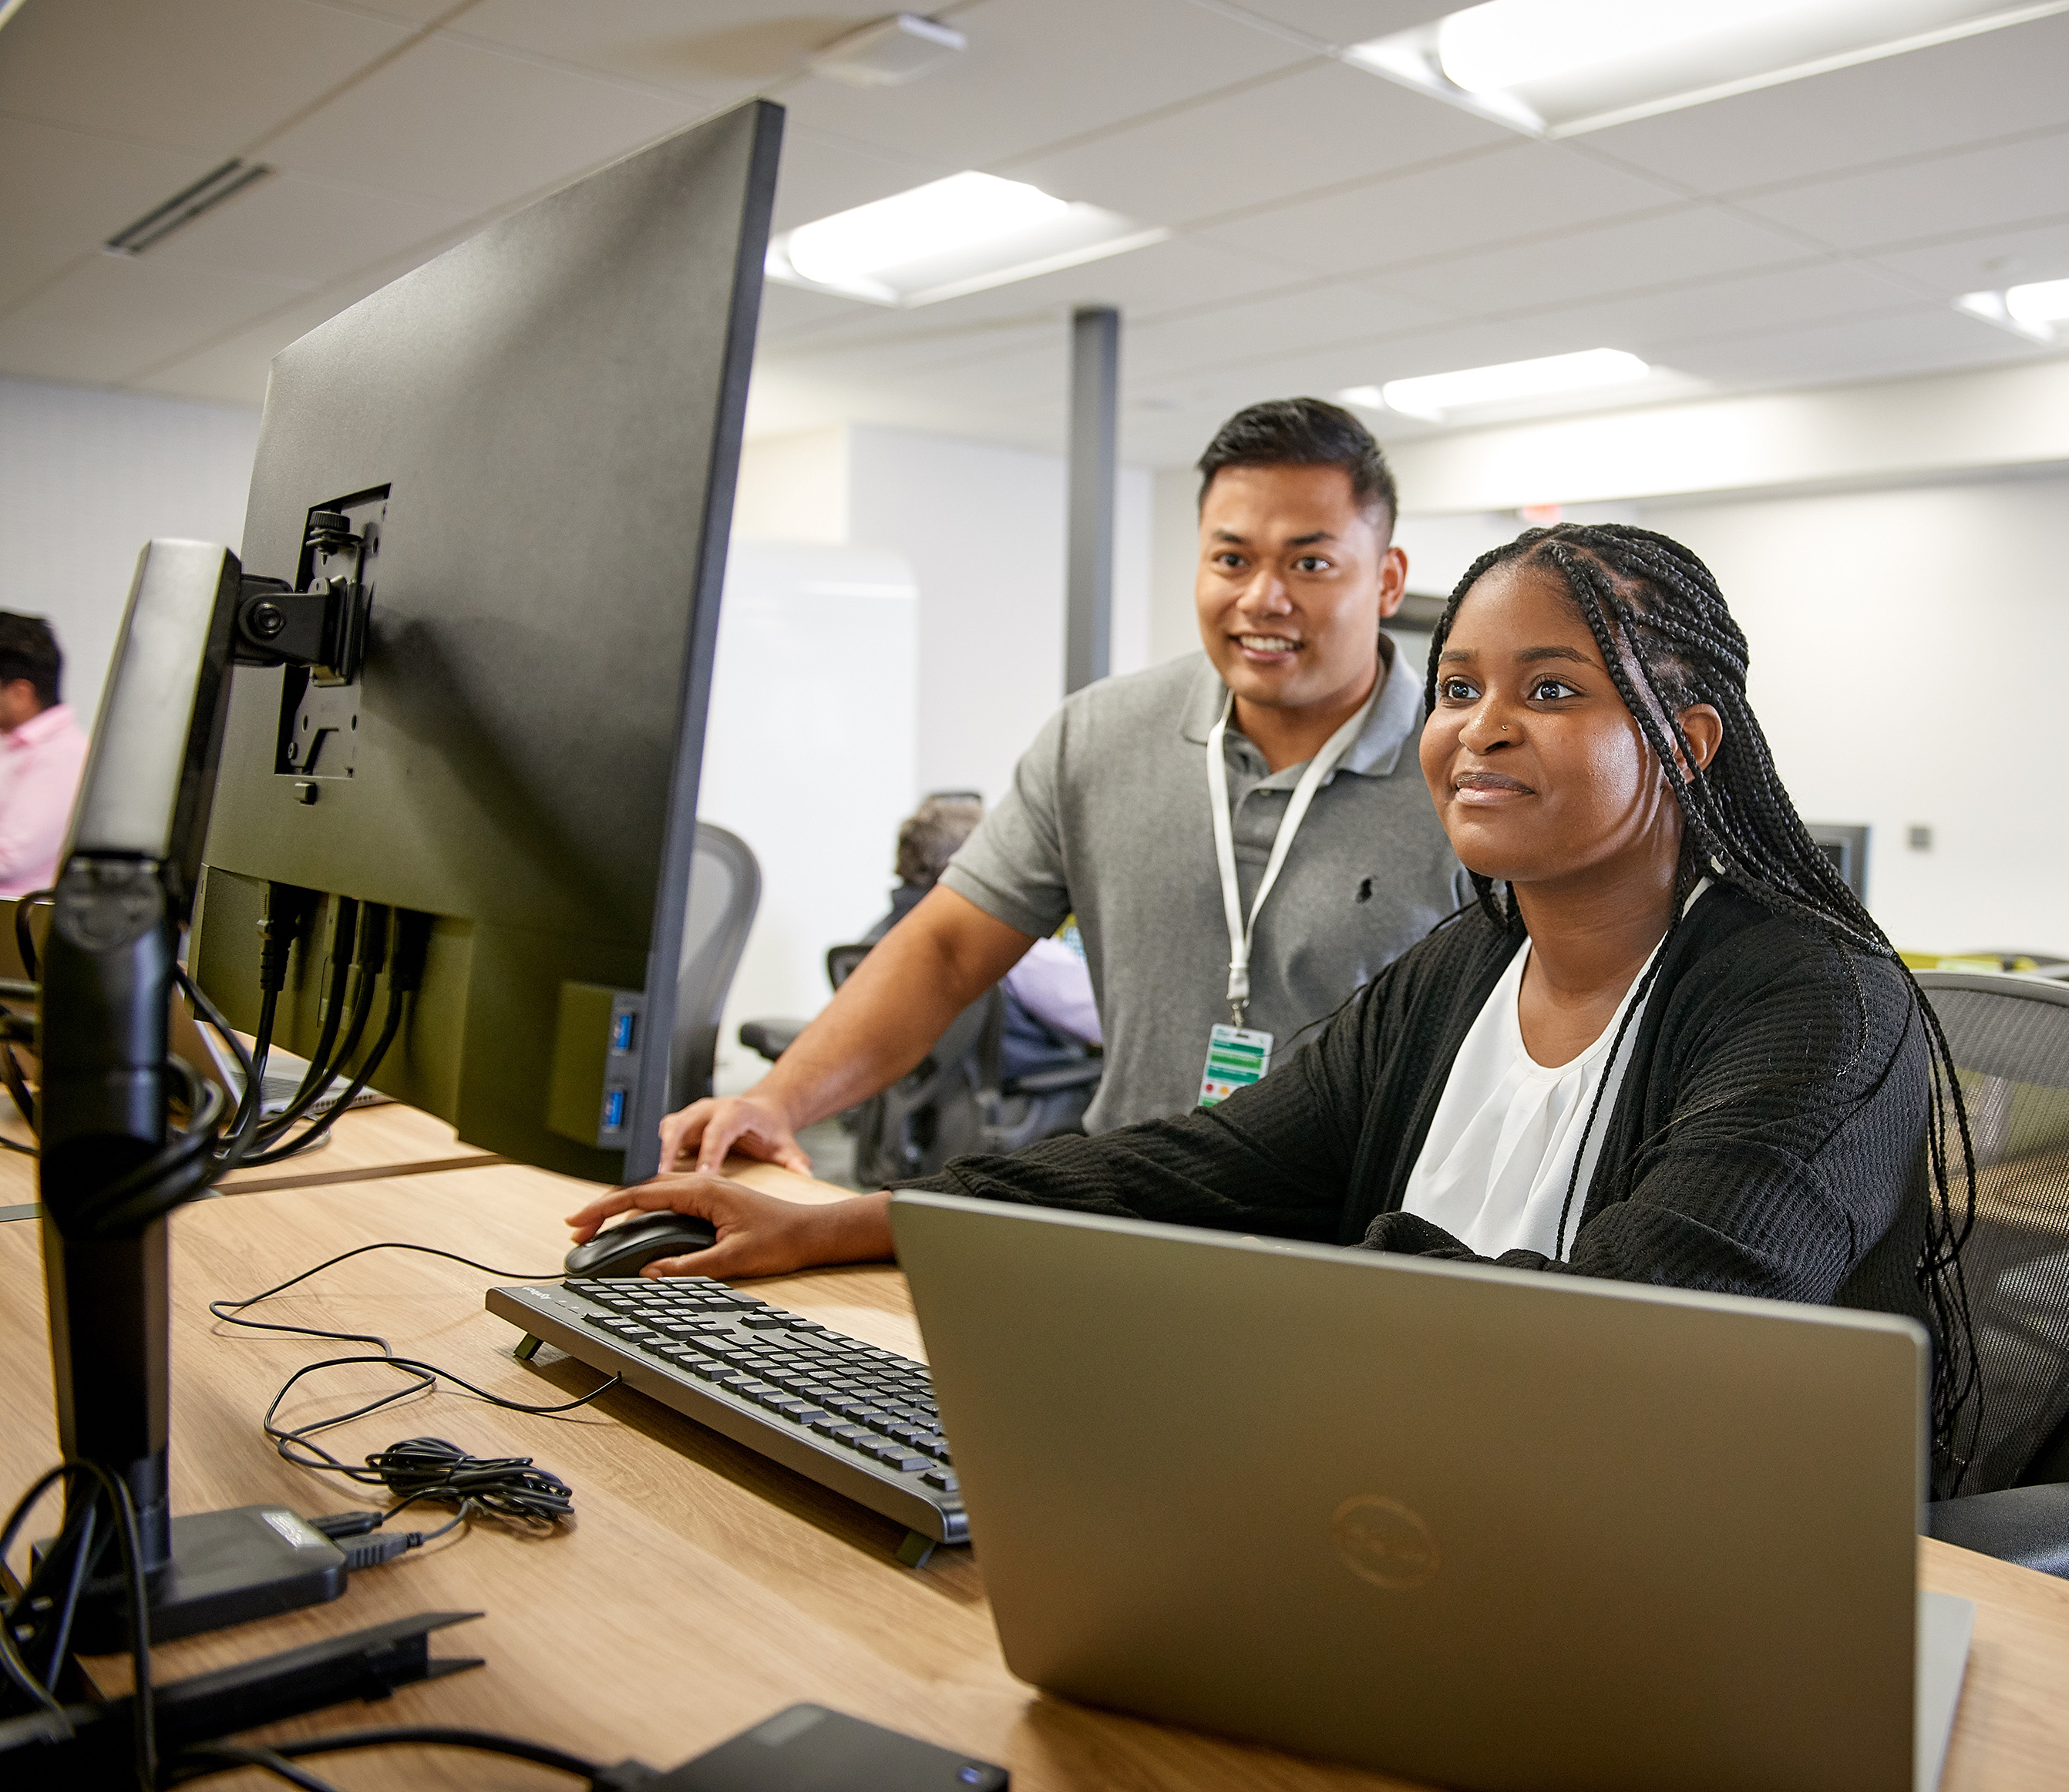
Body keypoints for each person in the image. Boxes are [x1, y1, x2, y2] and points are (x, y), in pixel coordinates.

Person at [575, 523, 1983, 1480]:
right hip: (1413, 1480)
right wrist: (848, 1221)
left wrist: (1305, 1301)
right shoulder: (1466, 966)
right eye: (1459, 688)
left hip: (1689, 1560)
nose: (1479, 727)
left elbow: (1643, 1353)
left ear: (1681, 743)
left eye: (1549, 690)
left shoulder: (1816, 1004)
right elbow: (1207, 1168)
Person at [661, 398, 1465, 1174]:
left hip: (1358, 1234)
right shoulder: (1099, 736)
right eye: (1231, 559)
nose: (1262, 596)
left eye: (1309, 562)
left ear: (1388, 579)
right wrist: (774, 1100)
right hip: (1123, 1210)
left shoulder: (1468, 768)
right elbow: (944, 951)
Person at [865, 790, 1099, 1080]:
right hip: (1022, 1101)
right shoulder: (1012, 942)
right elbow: (1103, 1019)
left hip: (913, 1107)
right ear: (977, 865)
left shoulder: (875, 940)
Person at [0, 614, 86, 899]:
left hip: (13, 927)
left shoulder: (63, 754)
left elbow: (9, 859)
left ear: (21, 693)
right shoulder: (11, 742)